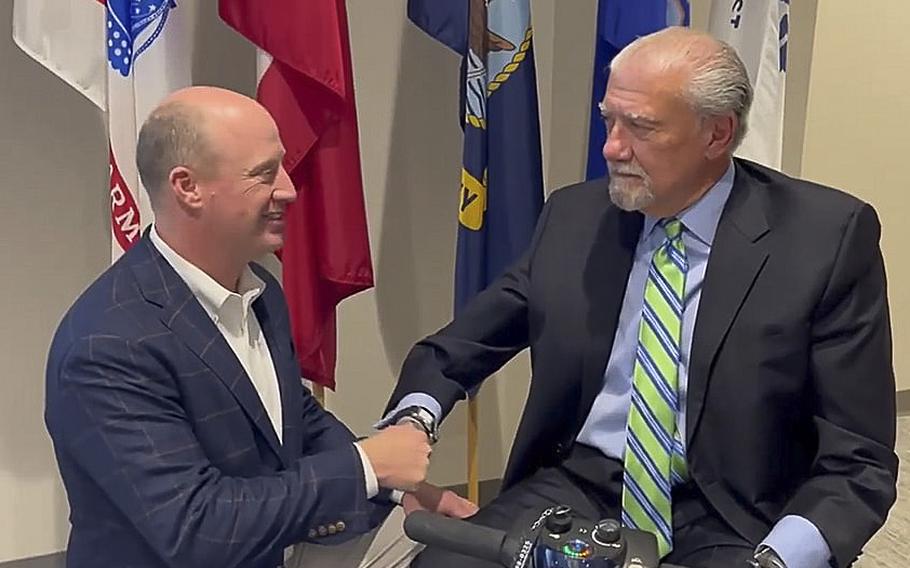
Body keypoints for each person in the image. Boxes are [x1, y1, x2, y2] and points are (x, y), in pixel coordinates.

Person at [383, 27, 898, 568]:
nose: (611, 147)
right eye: (609, 120)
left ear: (717, 134)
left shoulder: (824, 239)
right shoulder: (576, 218)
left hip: (739, 513)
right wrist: (414, 422)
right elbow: (458, 349)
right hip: (579, 487)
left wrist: (776, 560)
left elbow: (859, 461)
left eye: (641, 127)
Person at [45, 86, 475, 568]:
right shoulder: (107, 346)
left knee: (466, 552)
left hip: (280, 545)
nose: (289, 189)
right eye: (264, 174)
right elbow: (196, 529)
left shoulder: (261, 292)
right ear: (188, 187)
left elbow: (297, 420)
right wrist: (367, 468)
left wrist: (399, 491)